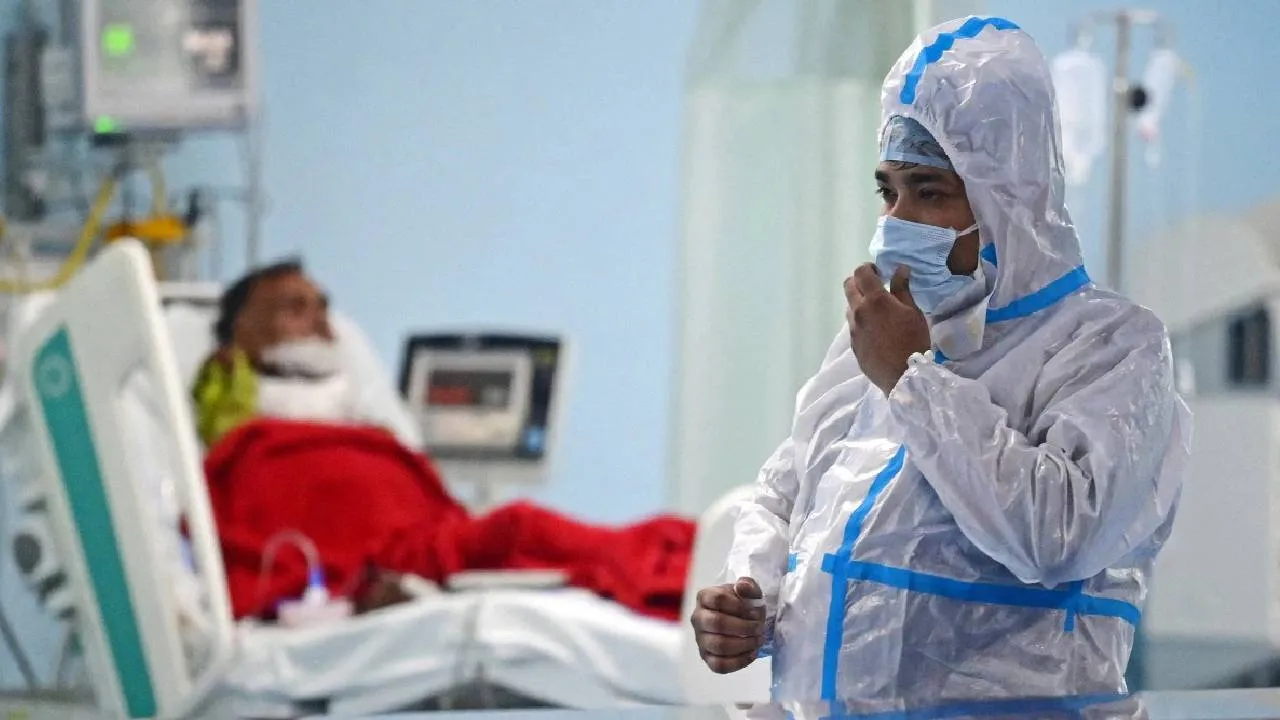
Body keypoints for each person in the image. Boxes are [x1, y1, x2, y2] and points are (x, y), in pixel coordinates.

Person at [690, 17, 1190, 701]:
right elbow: (784, 495)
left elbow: (1059, 534)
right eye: (887, 191)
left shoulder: (1110, 346)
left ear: (1008, 197)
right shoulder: (878, 340)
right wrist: (751, 592)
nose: (897, 222)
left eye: (929, 191)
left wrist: (910, 380)